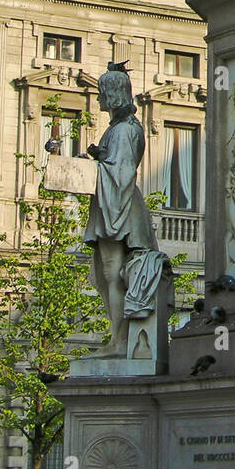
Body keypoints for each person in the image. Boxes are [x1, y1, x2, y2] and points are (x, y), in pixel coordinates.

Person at [82, 61, 170, 357]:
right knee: (108, 274)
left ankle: (120, 341)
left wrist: (89, 168)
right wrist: (100, 156)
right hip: (116, 203)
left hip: (117, 207)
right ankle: (117, 338)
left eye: (101, 93)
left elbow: (120, 173)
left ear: (113, 93)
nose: (98, 99)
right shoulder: (122, 128)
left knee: (112, 273)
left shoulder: (124, 130)